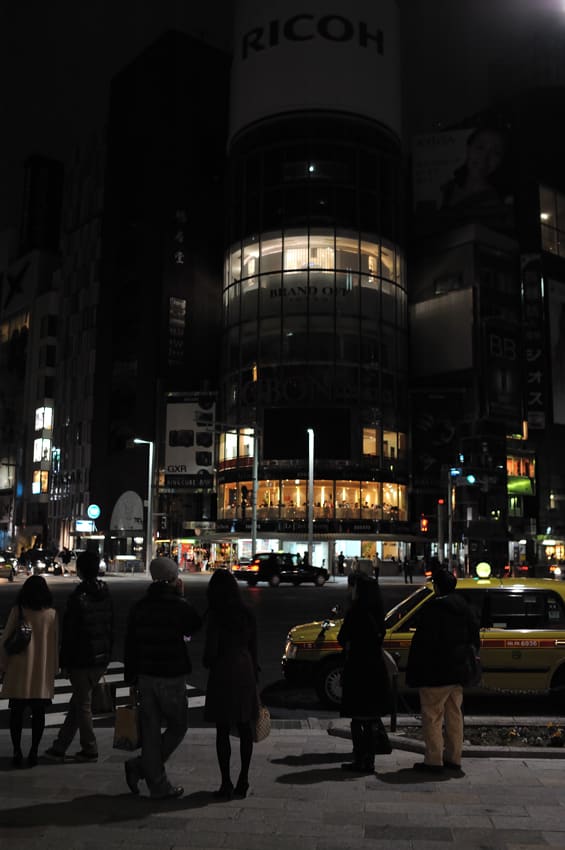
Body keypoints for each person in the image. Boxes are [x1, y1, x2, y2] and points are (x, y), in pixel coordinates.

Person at [123, 557, 202, 799]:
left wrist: (131, 676)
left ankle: (155, 780)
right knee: (178, 726)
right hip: (171, 674)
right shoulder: (178, 605)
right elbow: (193, 628)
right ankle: (144, 769)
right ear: (173, 579)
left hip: (145, 674)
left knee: (150, 730)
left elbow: (130, 644)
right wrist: (182, 596)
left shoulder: (140, 606)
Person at [406, 568, 480, 773]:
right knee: (454, 715)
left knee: (432, 716)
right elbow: (474, 638)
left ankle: (433, 760)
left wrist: (415, 671)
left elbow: (423, 643)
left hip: (435, 672)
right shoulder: (465, 608)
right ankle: (454, 758)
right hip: (458, 671)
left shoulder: (433, 609)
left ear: (436, 587)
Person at [44, 550, 113, 763]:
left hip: (82, 658)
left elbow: (71, 634)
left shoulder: (78, 598)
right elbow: (110, 627)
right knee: (78, 703)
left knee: (82, 705)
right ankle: (60, 746)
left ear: (80, 570)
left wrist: (64, 662)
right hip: (100, 657)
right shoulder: (105, 594)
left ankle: (90, 748)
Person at [203, 569, 259, 800]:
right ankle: (243, 779)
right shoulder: (246, 612)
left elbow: (211, 651)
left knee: (223, 728)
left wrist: (208, 660)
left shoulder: (217, 615)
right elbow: (254, 646)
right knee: (245, 727)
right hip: (245, 668)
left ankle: (226, 782)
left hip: (223, 670)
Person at [0, 575, 59, 767]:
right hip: (41, 670)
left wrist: (3, 665)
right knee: (38, 714)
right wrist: (54, 669)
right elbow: (55, 644)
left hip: (19, 669)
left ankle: (17, 751)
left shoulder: (18, 611)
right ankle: (34, 751)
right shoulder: (51, 614)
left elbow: (6, 640)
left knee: (16, 713)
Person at [337, 573, 391, 773]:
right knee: (370, 717)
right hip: (375, 668)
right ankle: (369, 760)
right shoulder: (378, 612)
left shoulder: (356, 612)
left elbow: (342, 638)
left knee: (357, 718)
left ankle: (360, 759)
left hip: (358, 668)